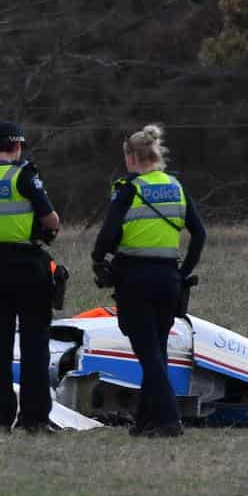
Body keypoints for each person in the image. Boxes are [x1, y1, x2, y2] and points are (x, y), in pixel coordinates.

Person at [91, 124, 206, 438]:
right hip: (169, 279)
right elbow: (199, 234)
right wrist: (183, 271)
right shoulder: (176, 187)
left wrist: (99, 258)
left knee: (148, 354)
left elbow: (106, 237)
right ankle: (145, 422)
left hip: (135, 279)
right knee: (157, 351)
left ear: (131, 158)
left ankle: (169, 420)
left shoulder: (129, 189)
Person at [0, 121, 60, 432]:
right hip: (26, 268)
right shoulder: (25, 175)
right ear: (17, 146)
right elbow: (50, 218)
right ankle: (33, 419)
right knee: (35, 345)